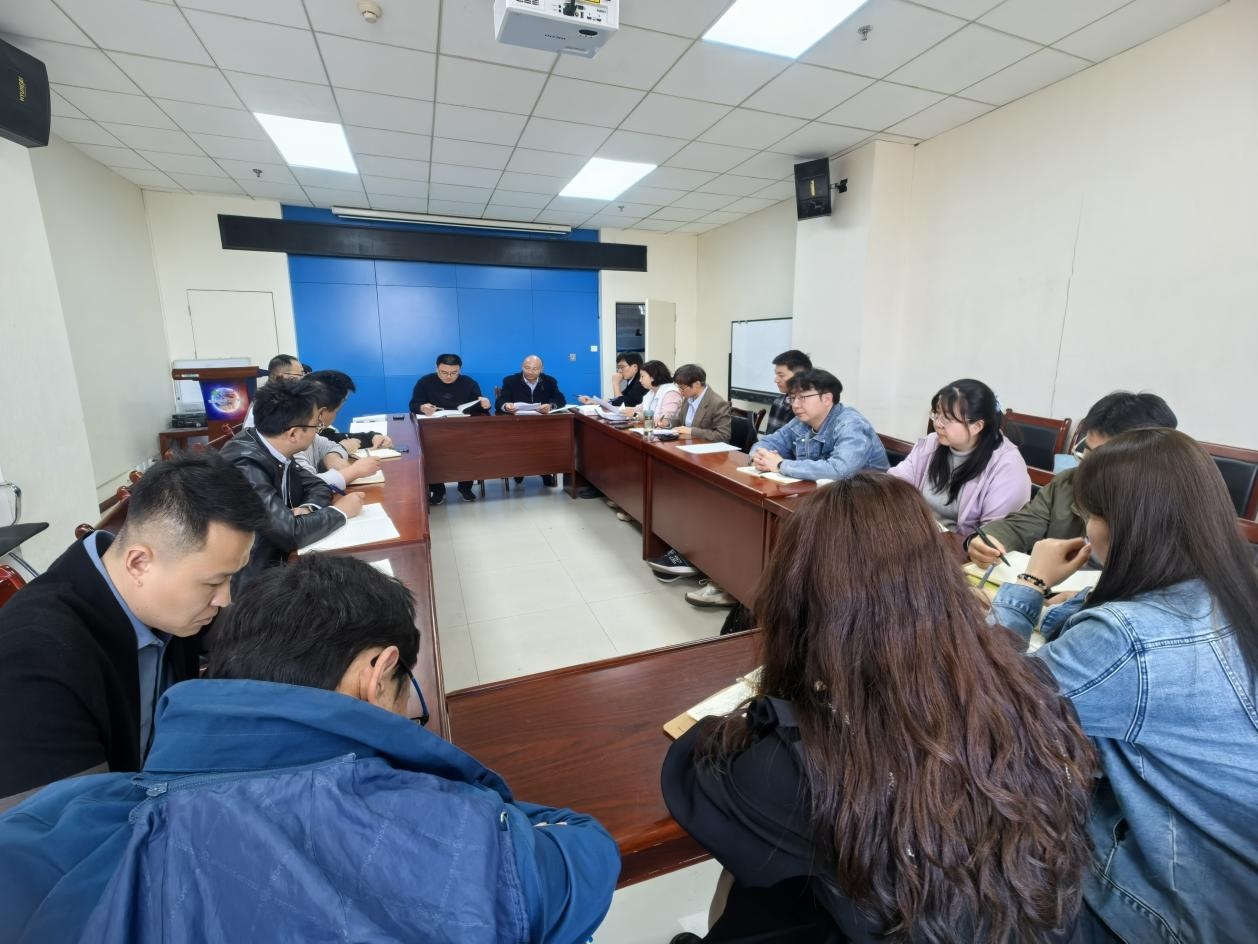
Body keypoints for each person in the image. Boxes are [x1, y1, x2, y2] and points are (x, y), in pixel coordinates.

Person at [0, 555, 621, 943]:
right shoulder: (460, 829)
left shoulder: (46, 829)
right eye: (407, 695)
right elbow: (584, 851)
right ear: (377, 672)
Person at [663, 474, 1096, 943]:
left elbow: (693, 766)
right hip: (1021, 923)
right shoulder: (1032, 693)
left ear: (798, 604)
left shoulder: (792, 769)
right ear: (942, 582)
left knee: (750, 886)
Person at [990, 428, 1258, 943]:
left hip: (1167, 908)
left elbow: (987, 703)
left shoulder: (1127, 638)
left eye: (1090, 515)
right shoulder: (1230, 589)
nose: (1086, 528)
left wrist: (1029, 585)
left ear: (1122, 526)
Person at [0, 456, 266, 807]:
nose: (225, 599)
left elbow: (254, 637)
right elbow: (69, 830)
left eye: (231, 578)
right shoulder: (35, 661)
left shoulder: (158, 598)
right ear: (139, 563)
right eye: (213, 582)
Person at [968, 391, 1178, 566]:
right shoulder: (1067, 483)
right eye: (1087, 452)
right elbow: (1021, 525)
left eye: (1104, 458)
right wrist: (987, 540)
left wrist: (1084, 595)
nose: (1088, 467)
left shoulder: (1168, 510)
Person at [219, 379, 362, 584]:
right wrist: (340, 512)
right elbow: (290, 534)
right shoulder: (245, 463)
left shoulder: (273, 445)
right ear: (293, 433)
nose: (317, 431)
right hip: (252, 580)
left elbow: (317, 485)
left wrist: (307, 508)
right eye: (316, 426)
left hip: (280, 561)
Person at [888, 379, 1030, 533]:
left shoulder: (1007, 467)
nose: (937, 424)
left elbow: (992, 536)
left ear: (977, 426)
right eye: (937, 414)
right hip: (919, 533)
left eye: (946, 419)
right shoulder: (931, 443)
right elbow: (895, 485)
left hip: (961, 545)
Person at [746, 369, 888, 481]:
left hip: (866, 500)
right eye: (792, 398)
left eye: (802, 397)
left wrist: (780, 465)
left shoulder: (851, 425)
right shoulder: (801, 421)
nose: (795, 405)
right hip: (822, 496)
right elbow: (768, 442)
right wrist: (758, 458)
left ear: (827, 399)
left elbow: (839, 470)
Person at [409, 353, 491, 504]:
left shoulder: (469, 383)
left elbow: (478, 406)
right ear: (436, 368)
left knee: (472, 450)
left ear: (460, 370)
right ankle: (437, 490)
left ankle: (465, 487)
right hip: (433, 431)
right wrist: (422, 407)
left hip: (463, 430)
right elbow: (414, 404)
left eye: (454, 373)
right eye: (444, 372)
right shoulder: (425, 382)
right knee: (431, 452)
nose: (448, 376)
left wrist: (485, 405)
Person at [298, 370, 383, 489]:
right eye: (337, 411)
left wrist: (332, 456)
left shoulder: (310, 432)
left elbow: (331, 446)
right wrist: (355, 470)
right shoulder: (293, 437)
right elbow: (307, 486)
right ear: (321, 413)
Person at [496, 355, 566, 488]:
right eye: (527, 368)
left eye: (534, 369)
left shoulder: (549, 381)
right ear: (522, 367)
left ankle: (545, 472)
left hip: (542, 425)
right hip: (517, 425)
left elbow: (560, 399)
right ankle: (519, 470)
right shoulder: (510, 381)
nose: (530, 371)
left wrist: (550, 406)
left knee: (548, 442)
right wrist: (506, 406)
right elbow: (501, 400)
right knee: (519, 441)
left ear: (541, 369)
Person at [666, 364, 732, 444]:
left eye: (682, 388)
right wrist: (667, 423)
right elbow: (681, 422)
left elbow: (723, 436)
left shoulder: (718, 403)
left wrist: (691, 431)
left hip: (707, 448)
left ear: (697, 384)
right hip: (688, 444)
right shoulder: (688, 397)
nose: (680, 391)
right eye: (678, 387)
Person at [242, 353, 305, 429]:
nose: (303, 378)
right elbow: (248, 433)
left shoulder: (294, 397)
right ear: (282, 376)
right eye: (300, 374)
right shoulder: (264, 403)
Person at [765, 349, 812, 434]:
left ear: (800, 376)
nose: (776, 380)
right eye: (776, 375)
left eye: (781, 375)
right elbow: (769, 437)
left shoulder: (813, 408)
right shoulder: (778, 402)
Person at [580, 352, 645, 409]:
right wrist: (593, 401)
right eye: (618, 368)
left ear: (635, 367)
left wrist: (616, 383)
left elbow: (621, 404)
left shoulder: (641, 382)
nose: (619, 371)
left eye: (622, 367)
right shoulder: (631, 381)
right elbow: (619, 399)